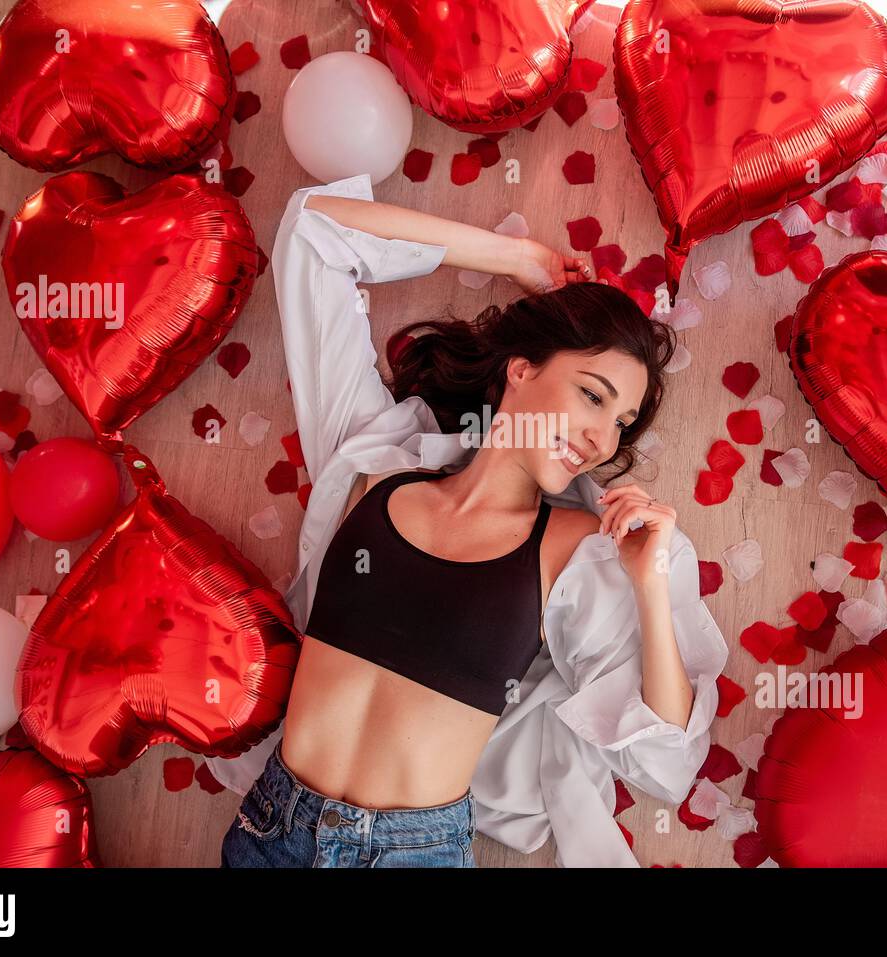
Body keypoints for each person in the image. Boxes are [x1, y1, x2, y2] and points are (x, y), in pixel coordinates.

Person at [213, 173, 728, 867]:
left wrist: (650, 585)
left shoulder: (577, 550)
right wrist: (516, 259)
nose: (602, 438)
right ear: (521, 371)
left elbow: (666, 754)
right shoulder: (376, 459)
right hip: (271, 832)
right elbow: (314, 233)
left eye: (621, 423)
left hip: (410, 853)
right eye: (592, 394)